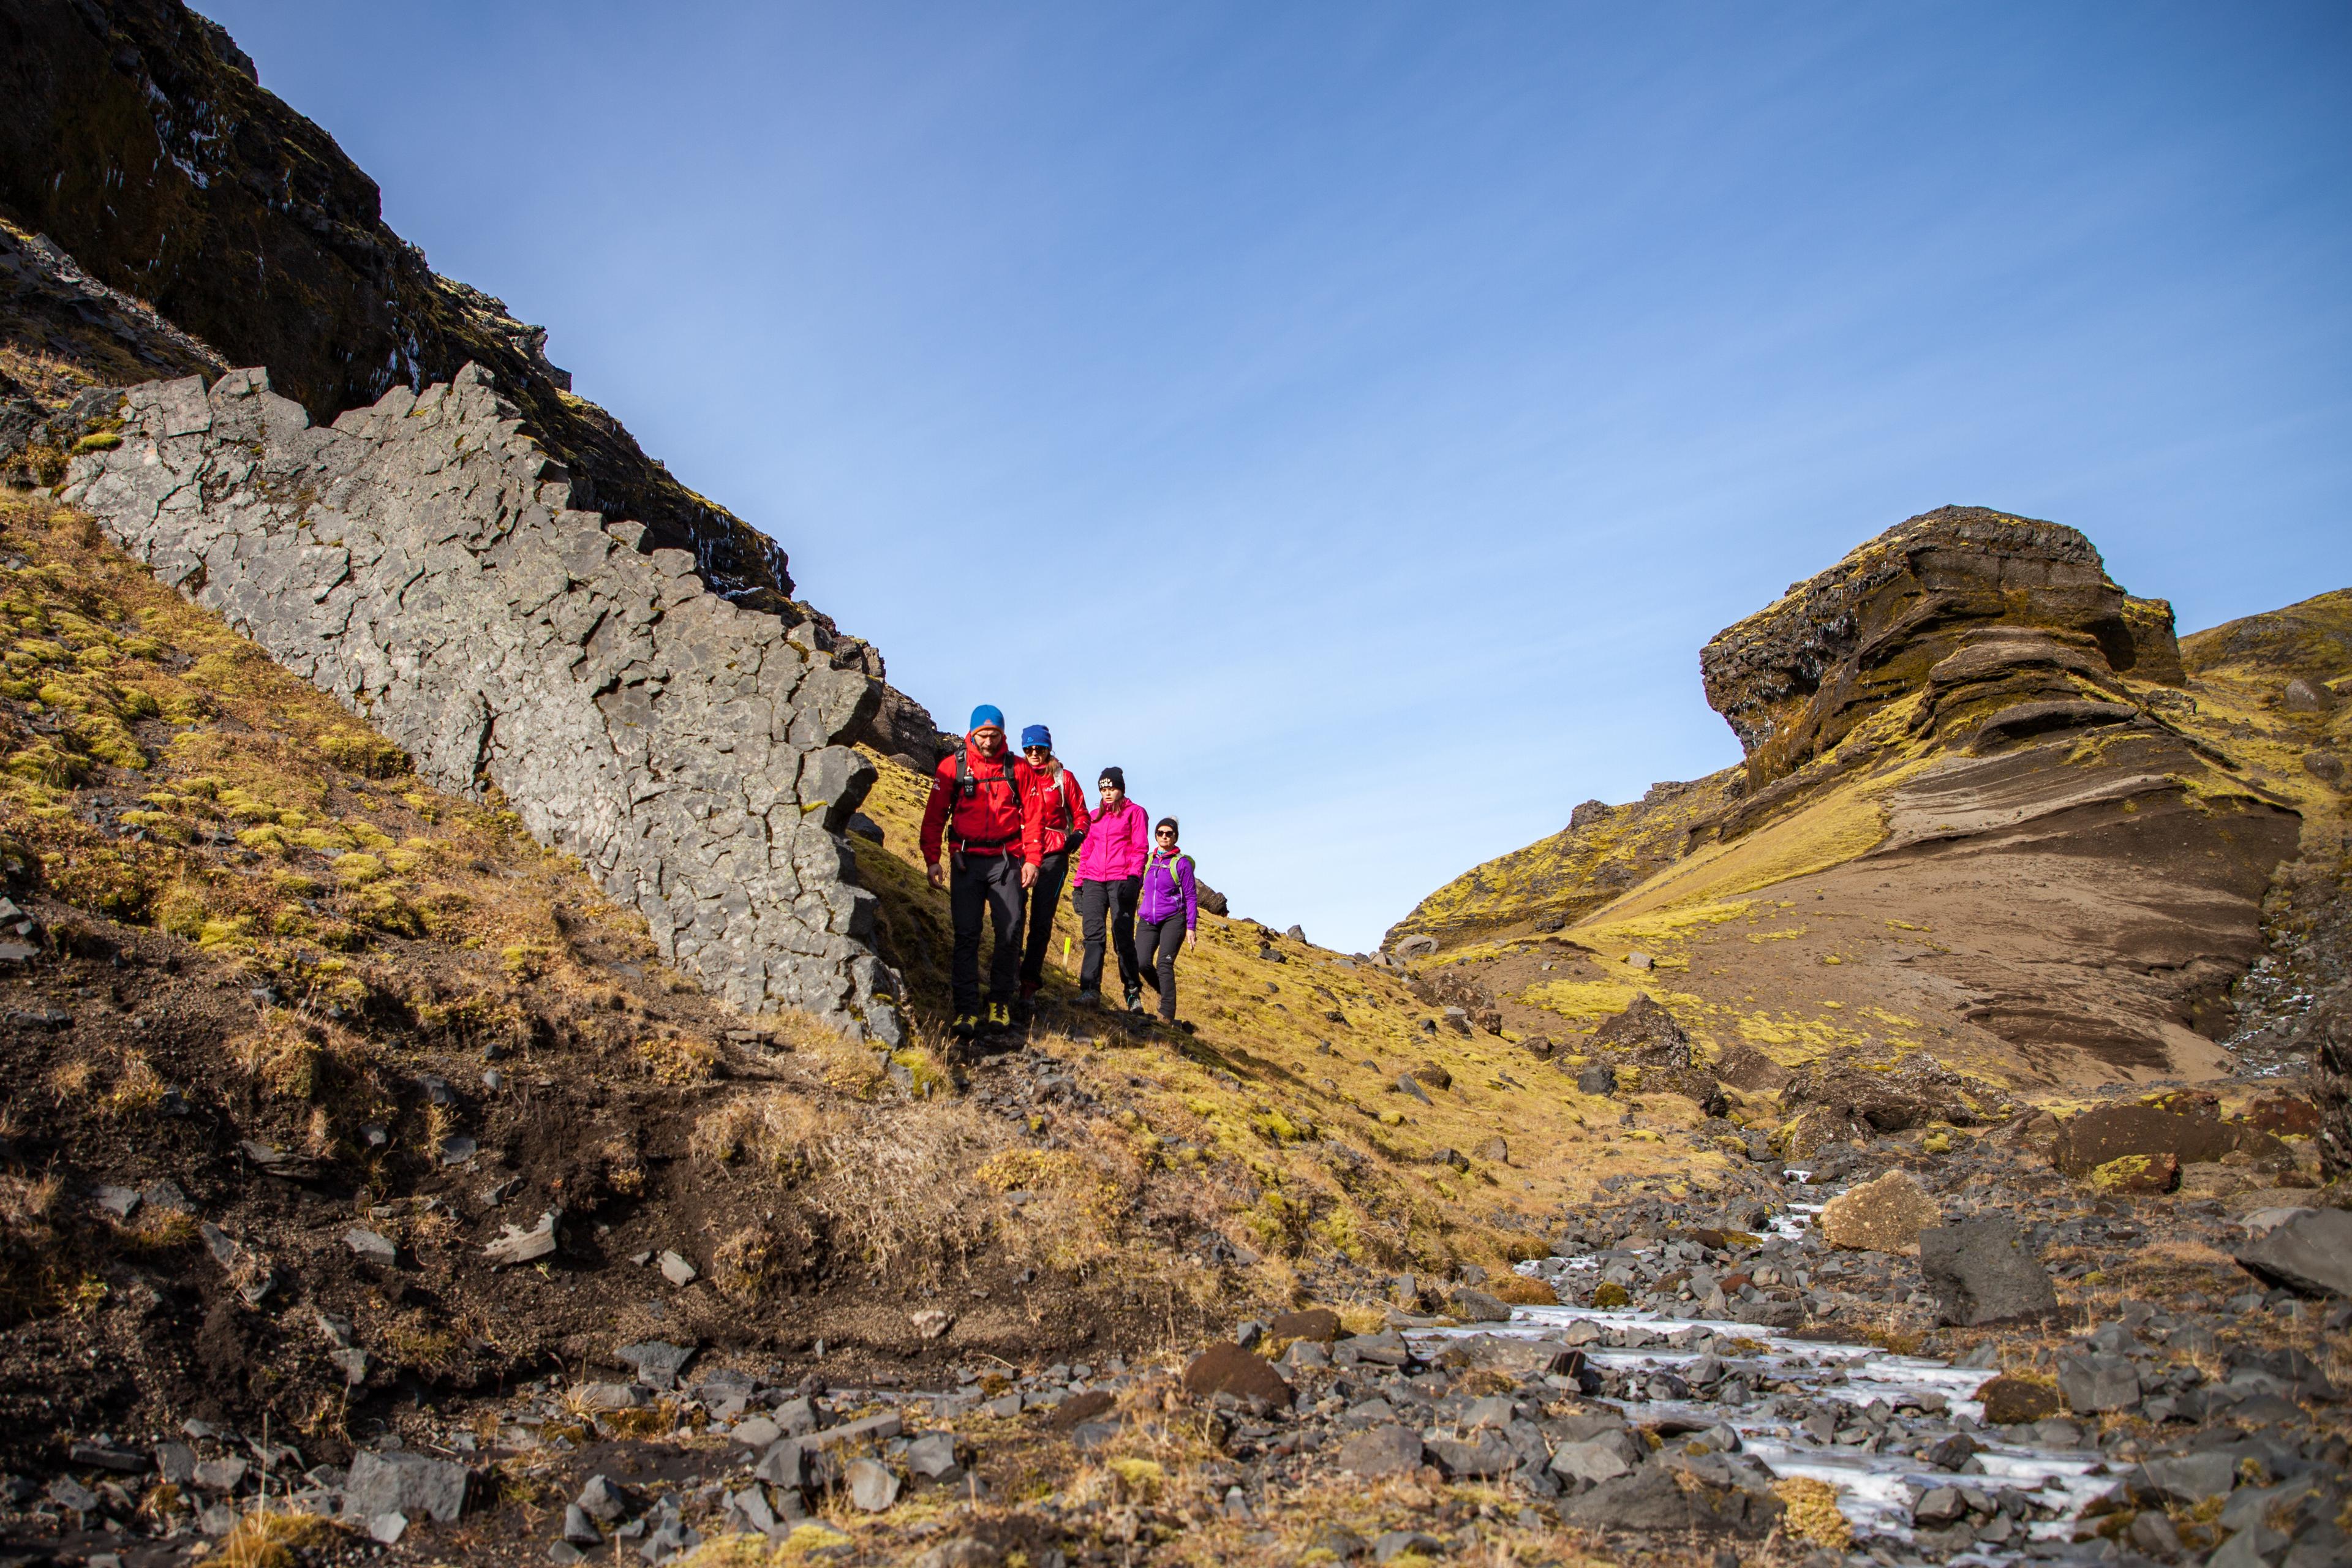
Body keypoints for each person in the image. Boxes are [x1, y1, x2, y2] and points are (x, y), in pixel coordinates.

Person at [919, 705, 1041, 1037]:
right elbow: (934, 817)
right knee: (966, 935)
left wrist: (1032, 859)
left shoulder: (1019, 769)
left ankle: (999, 1002)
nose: (988, 742)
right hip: (965, 861)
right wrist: (933, 859)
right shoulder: (953, 767)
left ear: (1003, 735)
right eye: (982, 735)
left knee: (1010, 932)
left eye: (995, 735)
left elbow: (1034, 817)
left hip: (1007, 861)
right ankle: (966, 1009)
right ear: (971, 733)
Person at [1014, 724, 1089, 1011]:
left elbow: (1081, 813)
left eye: (1040, 749)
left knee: (1042, 920)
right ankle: (1009, 969)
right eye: (1029, 749)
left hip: (1054, 854)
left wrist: (1078, 836)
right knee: (1013, 912)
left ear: (1049, 749)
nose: (1034, 754)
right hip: (1020, 849)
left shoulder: (1063, 778)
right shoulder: (1016, 774)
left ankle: (1029, 985)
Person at [1071, 766, 1150, 1010]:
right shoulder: (1094, 816)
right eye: (1103, 789)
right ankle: (1090, 991)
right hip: (1093, 880)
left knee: (1122, 937)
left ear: (1121, 789)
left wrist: (1134, 879)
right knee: (1093, 935)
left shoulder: (1135, 813)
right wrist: (1078, 886)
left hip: (1121, 881)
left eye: (1111, 788)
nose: (1107, 793)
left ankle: (1132, 992)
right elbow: (1086, 853)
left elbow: (1140, 849)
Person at [1134, 816, 1197, 1023]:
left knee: (1164, 964)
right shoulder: (1150, 861)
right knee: (1142, 963)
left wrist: (1191, 927)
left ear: (1176, 837)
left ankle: (1167, 1014)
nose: (1164, 837)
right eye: (1160, 833)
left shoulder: (1182, 864)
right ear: (1156, 836)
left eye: (1169, 833)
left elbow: (1191, 896)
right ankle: (1165, 992)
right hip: (1148, 919)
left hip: (1173, 919)